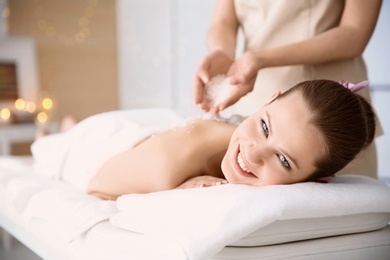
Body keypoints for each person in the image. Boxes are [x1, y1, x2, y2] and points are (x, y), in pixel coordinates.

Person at [31, 80, 376, 200]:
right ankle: (61, 133)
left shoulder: (249, 139)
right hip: (106, 148)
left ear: (316, 181)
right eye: (265, 127)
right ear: (267, 101)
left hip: (161, 131)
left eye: (283, 160)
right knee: (52, 148)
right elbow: (97, 190)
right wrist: (172, 193)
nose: (254, 154)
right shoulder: (168, 165)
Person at [193, 0, 383, 178]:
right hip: (253, 97)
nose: (254, 154)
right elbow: (224, 20)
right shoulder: (250, 136)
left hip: (330, 123)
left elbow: (354, 33)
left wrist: (261, 59)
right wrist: (222, 51)